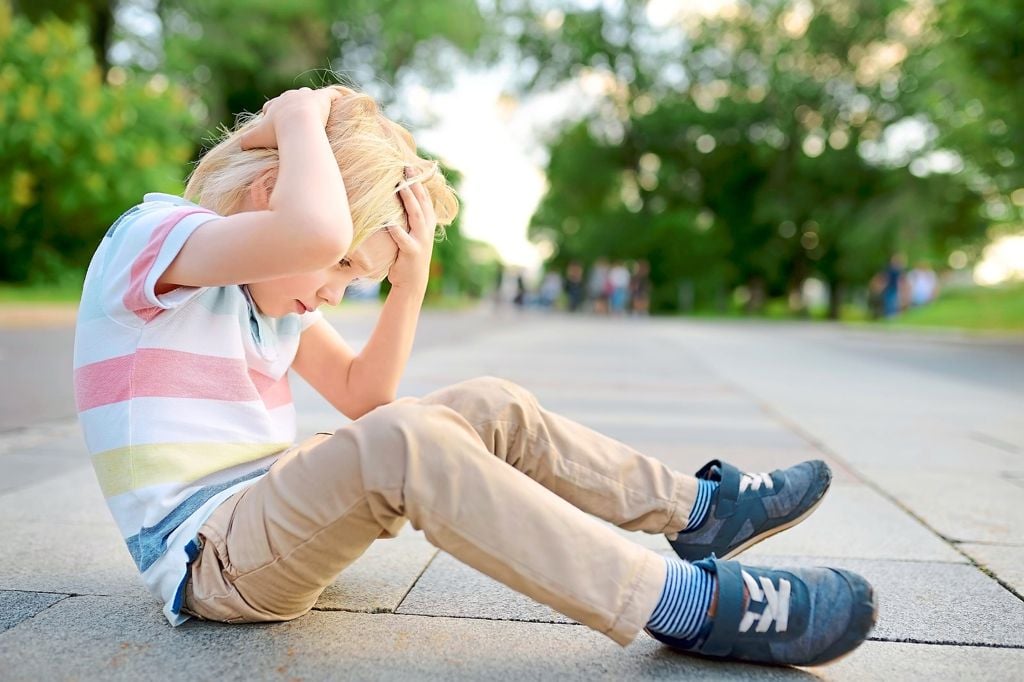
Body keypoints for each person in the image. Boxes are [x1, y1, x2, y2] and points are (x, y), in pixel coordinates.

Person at [72, 85, 875, 667]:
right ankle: (685, 605)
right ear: (270, 192)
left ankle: (698, 510)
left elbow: (364, 396)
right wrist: (298, 112)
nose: (329, 292)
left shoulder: (266, 299)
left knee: (488, 405)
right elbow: (313, 236)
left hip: (270, 519)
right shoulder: (154, 240)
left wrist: (409, 282)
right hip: (212, 559)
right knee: (407, 441)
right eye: (343, 267)